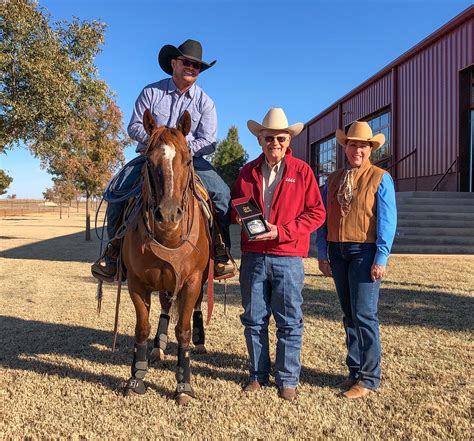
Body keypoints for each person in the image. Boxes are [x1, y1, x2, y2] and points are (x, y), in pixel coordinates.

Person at [91, 39, 235, 282]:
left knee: (222, 194)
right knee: (117, 191)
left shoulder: (205, 103)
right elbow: (134, 126)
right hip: (152, 157)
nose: (191, 68)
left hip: (190, 160)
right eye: (187, 62)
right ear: (173, 63)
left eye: (197, 66)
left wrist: (180, 148)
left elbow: (209, 140)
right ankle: (113, 251)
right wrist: (157, 144)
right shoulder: (151, 92)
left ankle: (221, 252)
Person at [231, 108, 326, 401]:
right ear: (260, 140)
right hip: (254, 256)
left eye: (280, 138)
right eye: (269, 137)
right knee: (254, 318)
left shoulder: (302, 171)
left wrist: (281, 231)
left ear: (288, 140)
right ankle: (258, 375)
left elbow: (317, 213)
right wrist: (242, 218)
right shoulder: (247, 171)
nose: (275, 143)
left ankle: (287, 379)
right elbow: (237, 206)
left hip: (288, 256)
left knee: (289, 321)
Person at [316, 121, 397, 399]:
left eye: (362, 145)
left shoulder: (380, 177)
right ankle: (354, 370)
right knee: (349, 315)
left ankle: (369, 377)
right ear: (345, 147)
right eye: (352, 145)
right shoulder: (333, 179)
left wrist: (381, 256)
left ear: (370, 148)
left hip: (365, 251)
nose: (357, 150)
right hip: (338, 252)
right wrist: (322, 251)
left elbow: (388, 220)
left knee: (364, 315)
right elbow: (323, 218)